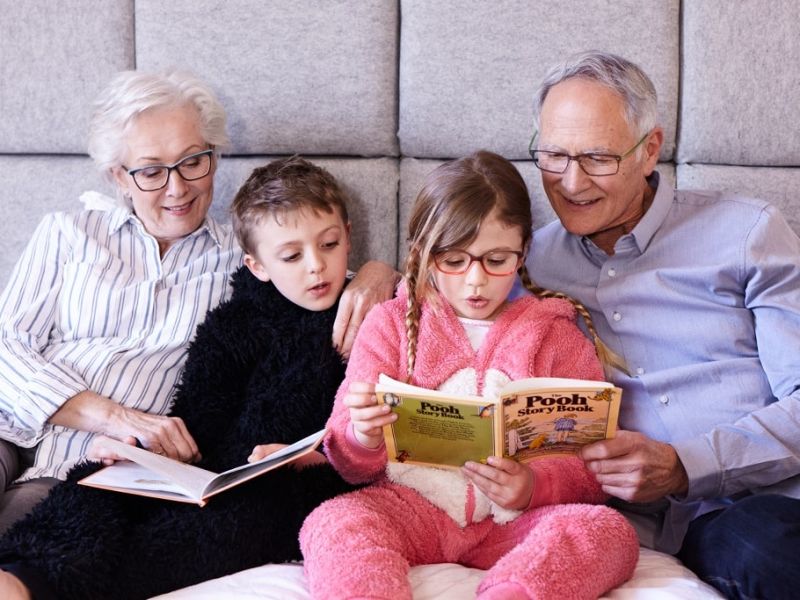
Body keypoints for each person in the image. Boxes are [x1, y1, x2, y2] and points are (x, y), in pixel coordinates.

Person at [0, 69, 395, 533]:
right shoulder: (68, 233)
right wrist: (114, 417)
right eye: (151, 171)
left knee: (22, 548)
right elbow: (6, 348)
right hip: (10, 427)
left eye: (193, 162)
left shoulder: (245, 257)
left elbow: (319, 275)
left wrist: (378, 272)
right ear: (118, 176)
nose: (177, 187)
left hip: (83, 467)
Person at [0, 156, 362, 599]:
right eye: (291, 255)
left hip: (295, 485)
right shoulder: (230, 327)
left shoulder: (364, 320)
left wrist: (316, 461)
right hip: (214, 475)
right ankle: (20, 578)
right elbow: (198, 421)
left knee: (201, 532)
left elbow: (372, 443)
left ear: (348, 234)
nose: (315, 267)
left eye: (329, 244)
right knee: (95, 487)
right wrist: (145, 457)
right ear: (258, 266)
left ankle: (57, 586)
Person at [300, 150, 639, 600]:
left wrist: (533, 487)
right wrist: (363, 436)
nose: (475, 282)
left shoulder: (555, 335)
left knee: (609, 531)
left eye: (496, 260)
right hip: (411, 508)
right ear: (423, 254)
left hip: (513, 522)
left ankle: (512, 593)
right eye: (454, 262)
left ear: (522, 253)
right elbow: (344, 453)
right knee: (333, 519)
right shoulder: (390, 323)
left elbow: (590, 468)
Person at [526, 50, 800, 599]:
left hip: (773, 496)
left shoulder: (746, 231)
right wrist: (372, 274)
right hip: (672, 526)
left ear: (650, 149)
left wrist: (686, 465)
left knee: (764, 543)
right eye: (553, 155)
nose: (570, 182)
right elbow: (444, 279)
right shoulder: (527, 261)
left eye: (598, 158)